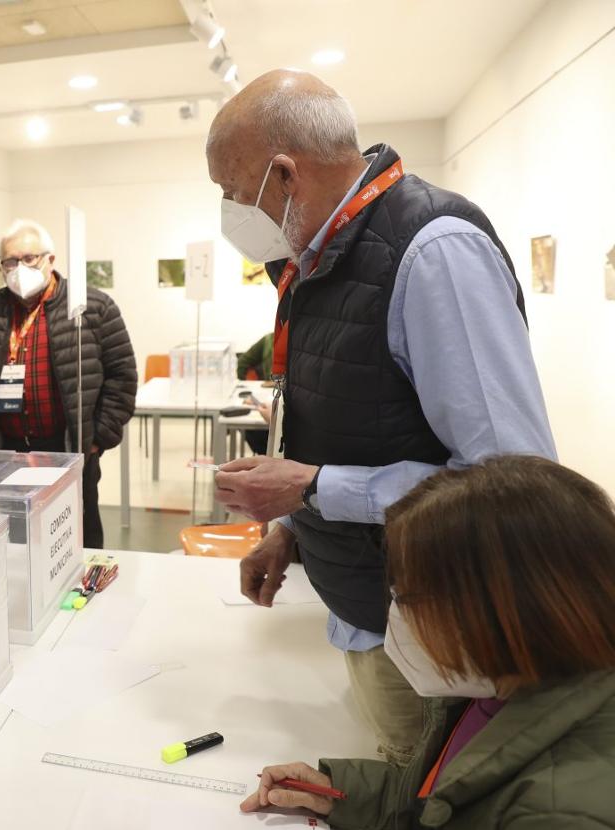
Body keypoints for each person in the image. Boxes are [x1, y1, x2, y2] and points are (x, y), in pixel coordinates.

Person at [206, 70, 556, 766]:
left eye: (232, 194)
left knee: (422, 796)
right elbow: (350, 423)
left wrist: (310, 490)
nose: (229, 213)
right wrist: (293, 531)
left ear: (283, 177)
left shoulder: (433, 253)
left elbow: (512, 486)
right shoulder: (319, 260)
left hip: (436, 630)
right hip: (371, 612)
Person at [242, 456, 615, 829]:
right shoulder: (492, 691)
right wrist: (339, 791)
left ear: (503, 608)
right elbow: (437, 801)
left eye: (411, 597)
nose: (398, 616)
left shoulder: (561, 810)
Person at [0, 219, 137, 549]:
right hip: (8, 452)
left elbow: (122, 376)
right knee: (17, 541)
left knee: (74, 535)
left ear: (50, 260)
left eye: (28, 258)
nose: (19, 268)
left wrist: (96, 439)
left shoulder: (91, 307)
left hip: (68, 447)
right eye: (10, 262)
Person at [236, 332, 273, 455]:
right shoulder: (268, 340)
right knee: (245, 423)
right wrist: (247, 388)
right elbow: (243, 362)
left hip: (287, 402)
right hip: (268, 397)